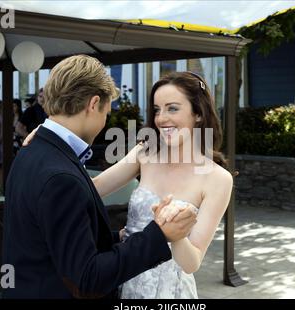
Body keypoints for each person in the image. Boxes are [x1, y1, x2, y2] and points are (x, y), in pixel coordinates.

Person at [2, 55, 197, 299]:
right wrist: (158, 234)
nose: (106, 121)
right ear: (94, 104)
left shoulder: (30, 151)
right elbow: (88, 278)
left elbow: (56, 238)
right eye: (107, 110)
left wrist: (118, 238)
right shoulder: (61, 176)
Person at [26, 71, 235, 298]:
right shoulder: (144, 153)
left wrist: (175, 234)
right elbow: (90, 188)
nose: (161, 118)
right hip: (125, 281)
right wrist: (54, 136)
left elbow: (191, 263)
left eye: (172, 108)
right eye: (157, 109)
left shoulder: (218, 179)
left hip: (171, 292)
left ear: (198, 114)